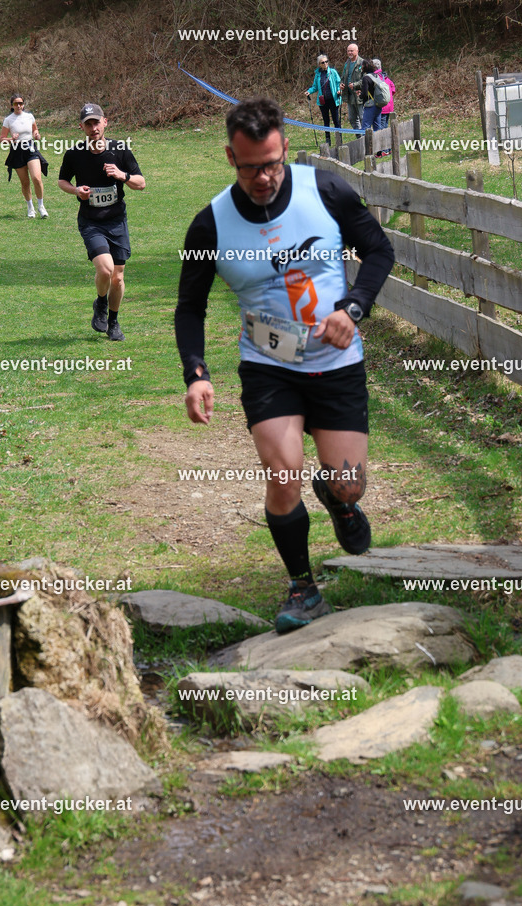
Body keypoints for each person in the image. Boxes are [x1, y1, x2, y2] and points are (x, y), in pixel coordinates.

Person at [175, 97, 394, 634]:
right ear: (230, 157)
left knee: (349, 484)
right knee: (283, 474)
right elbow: (190, 306)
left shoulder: (326, 191)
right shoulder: (211, 226)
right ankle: (303, 588)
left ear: (285, 149)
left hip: (337, 361)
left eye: (272, 163)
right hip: (269, 365)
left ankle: (339, 501)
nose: (264, 177)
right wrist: (196, 374)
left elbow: (380, 250)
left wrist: (354, 308)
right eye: (251, 167)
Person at [57, 103, 146, 342]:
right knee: (105, 269)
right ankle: (101, 302)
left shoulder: (120, 150)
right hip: (91, 221)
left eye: (97, 122)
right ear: (81, 127)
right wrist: (76, 191)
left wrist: (122, 175)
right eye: (88, 124)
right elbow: (62, 181)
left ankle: (113, 322)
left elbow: (141, 183)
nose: (93, 127)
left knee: (117, 277)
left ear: (105, 122)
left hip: (117, 221)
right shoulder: (74, 154)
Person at [0, 93, 49, 219]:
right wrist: (11, 139)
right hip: (17, 151)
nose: (19, 106)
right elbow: (2, 139)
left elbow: (35, 130)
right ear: (12, 105)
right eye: (16, 103)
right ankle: (30, 208)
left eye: (21, 103)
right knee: (25, 182)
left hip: (30, 149)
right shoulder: (8, 120)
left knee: (37, 178)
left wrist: (37, 135)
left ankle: (41, 206)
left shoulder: (29, 117)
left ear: (23, 104)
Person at [305, 54, 342, 146]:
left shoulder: (333, 72)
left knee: (336, 120)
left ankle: (339, 139)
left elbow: (338, 83)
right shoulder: (318, 75)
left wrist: (339, 90)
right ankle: (328, 140)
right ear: (319, 64)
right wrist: (309, 91)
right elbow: (315, 87)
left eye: (326, 61)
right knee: (326, 121)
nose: (325, 63)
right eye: (323, 62)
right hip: (323, 101)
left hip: (333, 100)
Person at [340, 43, 364, 137]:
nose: (350, 52)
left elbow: (366, 79)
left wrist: (355, 85)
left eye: (352, 51)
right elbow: (343, 77)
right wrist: (341, 84)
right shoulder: (347, 63)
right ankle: (359, 137)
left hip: (359, 95)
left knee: (362, 118)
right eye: (348, 51)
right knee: (352, 118)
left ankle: (367, 138)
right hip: (349, 96)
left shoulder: (362, 63)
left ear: (357, 51)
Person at [359, 59, 384, 134]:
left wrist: (360, 96)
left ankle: (366, 145)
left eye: (362, 66)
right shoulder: (376, 76)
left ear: (365, 67)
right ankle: (380, 145)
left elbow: (365, 94)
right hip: (378, 104)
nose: (361, 67)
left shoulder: (366, 78)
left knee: (365, 129)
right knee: (378, 129)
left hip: (370, 106)